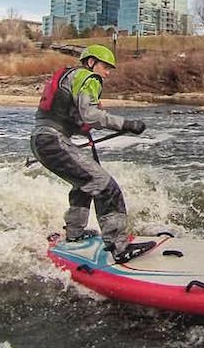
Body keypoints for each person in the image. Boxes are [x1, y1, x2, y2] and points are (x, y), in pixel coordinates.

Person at [30, 44, 152, 263]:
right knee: (105, 185)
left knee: (85, 184)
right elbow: (91, 115)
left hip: (42, 141)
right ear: (91, 63)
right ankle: (119, 246)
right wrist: (126, 123)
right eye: (105, 67)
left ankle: (75, 234)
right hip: (53, 140)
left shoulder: (71, 77)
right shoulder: (88, 78)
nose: (107, 73)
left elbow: (75, 120)